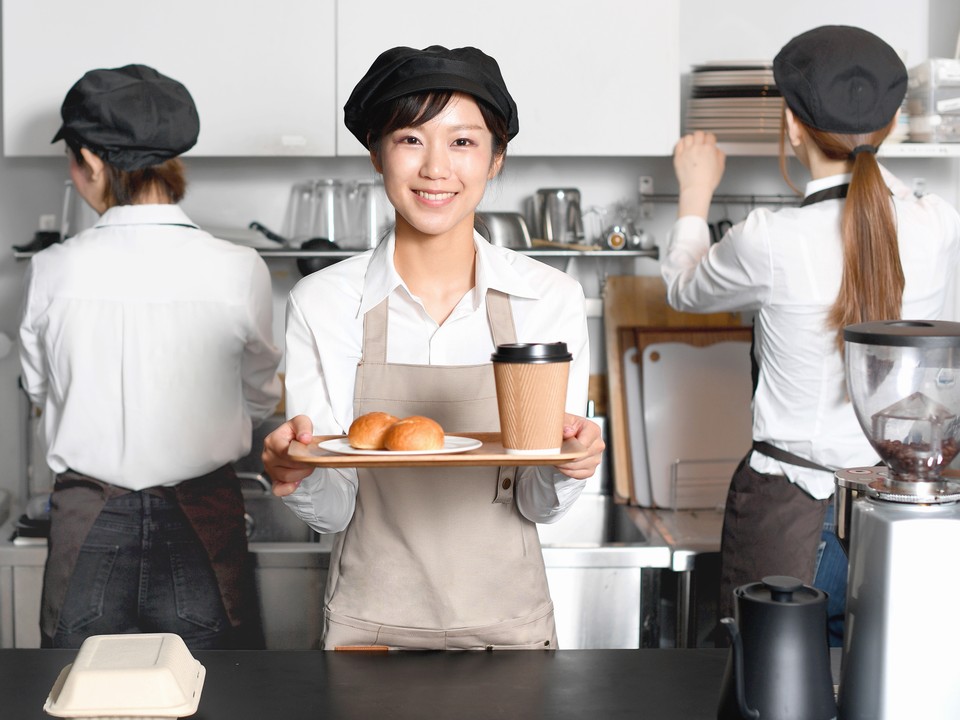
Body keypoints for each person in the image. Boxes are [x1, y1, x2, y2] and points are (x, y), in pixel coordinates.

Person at [261, 45, 603, 650]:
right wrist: (299, 476)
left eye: (464, 142)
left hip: (510, 630)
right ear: (377, 153)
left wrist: (569, 467)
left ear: (496, 159)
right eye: (411, 139)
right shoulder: (323, 302)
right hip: (368, 631)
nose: (436, 169)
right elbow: (337, 509)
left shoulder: (548, 301)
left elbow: (537, 501)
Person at [660, 26, 960, 644]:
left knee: (767, 693)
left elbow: (683, 289)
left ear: (793, 126)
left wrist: (694, 193)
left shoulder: (768, 237)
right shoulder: (938, 226)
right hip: (901, 511)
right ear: (893, 123)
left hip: (785, 516)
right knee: (893, 692)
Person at [18, 64, 282, 649]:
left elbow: (39, 391)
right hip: (204, 521)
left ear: (88, 161)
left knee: (77, 700)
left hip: (87, 525)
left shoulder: (51, 269)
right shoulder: (240, 268)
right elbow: (262, 395)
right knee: (220, 699)